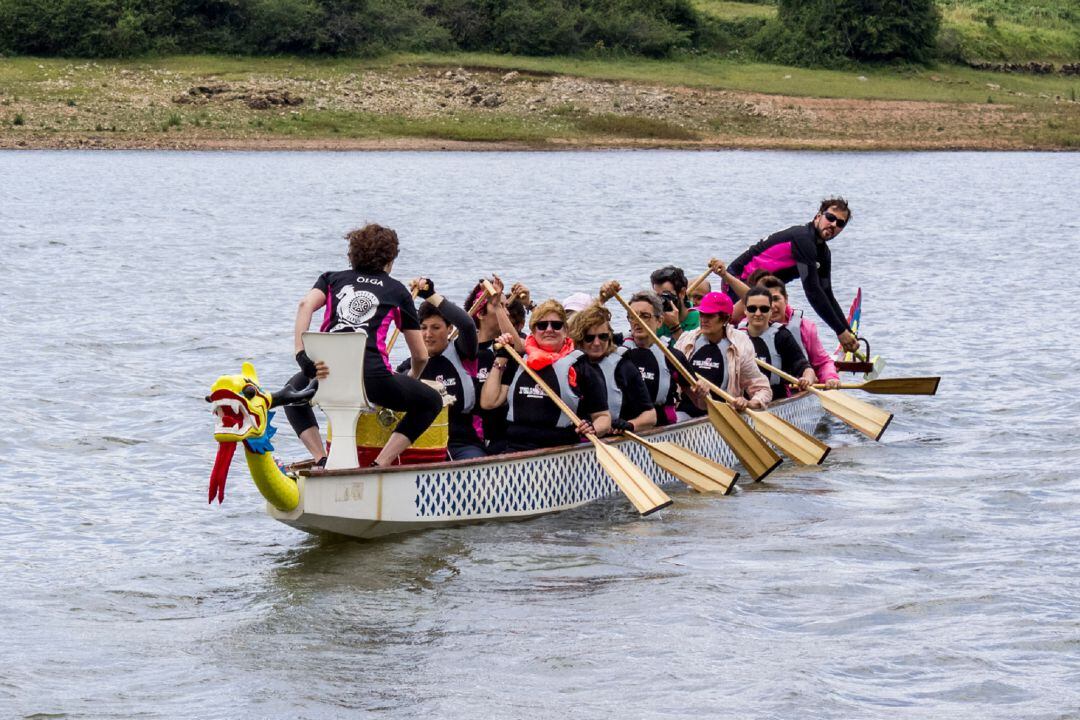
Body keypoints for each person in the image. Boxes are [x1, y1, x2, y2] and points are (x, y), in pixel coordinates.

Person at [286, 224, 443, 468]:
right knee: (431, 402)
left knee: (293, 391)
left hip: (324, 375)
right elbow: (421, 356)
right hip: (374, 382)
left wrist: (301, 355)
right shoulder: (398, 291)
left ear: (352, 255)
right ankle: (381, 464)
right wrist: (411, 378)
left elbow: (305, 305)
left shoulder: (331, 279)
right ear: (390, 260)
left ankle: (321, 459)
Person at [723, 198, 859, 353]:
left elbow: (827, 294)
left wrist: (847, 332)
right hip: (738, 281)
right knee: (747, 329)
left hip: (760, 288)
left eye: (840, 223)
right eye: (830, 218)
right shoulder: (803, 239)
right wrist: (840, 332)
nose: (834, 224)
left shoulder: (823, 253)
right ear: (818, 216)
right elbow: (813, 291)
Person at [480, 300, 611, 451]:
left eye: (556, 325)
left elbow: (603, 417)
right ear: (533, 331)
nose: (549, 330)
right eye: (542, 326)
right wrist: (502, 356)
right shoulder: (520, 361)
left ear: (565, 330)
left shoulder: (581, 366)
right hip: (515, 448)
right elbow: (489, 402)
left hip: (560, 451)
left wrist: (593, 429)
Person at [395, 279, 486, 461]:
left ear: (449, 328)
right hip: (421, 441)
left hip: (462, 442)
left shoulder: (463, 353)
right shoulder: (408, 366)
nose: (428, 334)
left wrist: (431, 296)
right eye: (423, 328)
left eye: (436, 328)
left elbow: (467, 326)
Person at [598, 281, 691, 426]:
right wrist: (601, 300)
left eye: (645, 316)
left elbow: (701, 403)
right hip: (620, 427)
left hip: (660, 428)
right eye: (633, 316)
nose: (637, 321)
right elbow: (581, 330)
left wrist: (702, 392)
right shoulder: (613, 346)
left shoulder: (673, 356)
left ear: (659, 321)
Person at [675, 292, 771, 420]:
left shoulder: (739, 344)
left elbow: (763, 389)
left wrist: (749, 403)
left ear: (725, 319)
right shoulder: (687, 338)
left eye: (710, 315)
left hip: (723, 414)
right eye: (702, 314)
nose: (703, 319)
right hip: (685, 411)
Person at [568, 303, 655, 434]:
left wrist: (630, 425)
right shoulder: (571, 367)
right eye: (589, 338)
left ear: (609, 337)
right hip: (580, 436)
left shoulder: (625, 368)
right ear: (579, 339)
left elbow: (650, 415)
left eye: (602, 337)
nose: (597, 343)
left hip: (615, 437)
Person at [467, 277, 526, 454]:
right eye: (497, 306)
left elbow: (519, 349)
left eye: (505, 307)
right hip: (468, 436)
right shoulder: (463, 348)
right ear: (480, 313)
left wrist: (498, 304)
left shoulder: (507, 346)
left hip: (501, 437)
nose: (506, 313)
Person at [758, 275, 841, 390]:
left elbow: (822, 363)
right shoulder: (747, 328)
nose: (772, 306)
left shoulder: (805, 327)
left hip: (799, 388)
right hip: (761, 391)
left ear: (786, 299)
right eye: (767, 301)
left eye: (776, 299)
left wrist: (830, 378)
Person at [740, 286, 815, 400]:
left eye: (764, 309)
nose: (758, 313)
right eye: (752, 309)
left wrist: (807, 379)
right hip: (741, 400)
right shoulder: (735, 336)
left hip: (776, 399)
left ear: (770, 311)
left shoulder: (781, 336)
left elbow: (804, 367)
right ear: (745, 310)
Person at [650, 265, 699, 342]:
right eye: (657, 296)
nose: (660, 301)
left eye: (666, 295)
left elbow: (689, 352)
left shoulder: (700, 320)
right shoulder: (654, 319)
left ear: (682, 293)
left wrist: (675, 327)